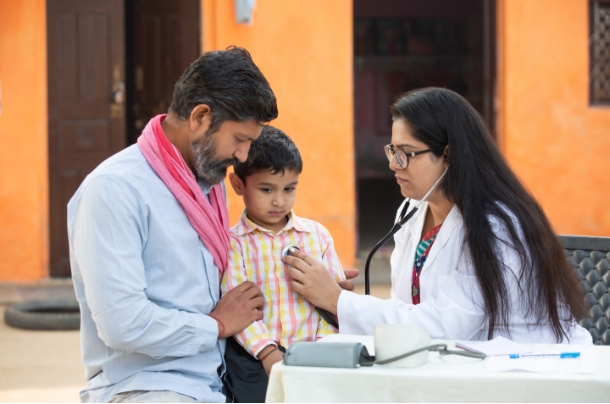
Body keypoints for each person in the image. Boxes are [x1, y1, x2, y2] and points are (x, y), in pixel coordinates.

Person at [283, 87, 593, 345]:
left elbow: (449, 326)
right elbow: (410, 310)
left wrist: (338, 301)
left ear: (448, 155)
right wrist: (341, 301)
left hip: (523, 375)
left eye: (406, 153)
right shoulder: (412, 212)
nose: (394, 164)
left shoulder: (495, 227)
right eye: (392, 150)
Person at [68, 47, 279, 403]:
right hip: (146, 388)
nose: (243, 155)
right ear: (199, 117)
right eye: (239, 139)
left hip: (214, 383)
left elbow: (223, 290)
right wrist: (215, 326)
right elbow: (123, 323)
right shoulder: (115, 189)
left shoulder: (207, 184)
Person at [221, 126, 346, 402]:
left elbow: (333, 302)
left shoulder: (317, 236)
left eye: (289, 188)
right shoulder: (234, 244)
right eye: (266, 189)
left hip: (315, 360)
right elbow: (238, 310)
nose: (279, 200)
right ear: (238, 185)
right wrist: (267, 353)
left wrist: (322, 349)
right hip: (258, 361)